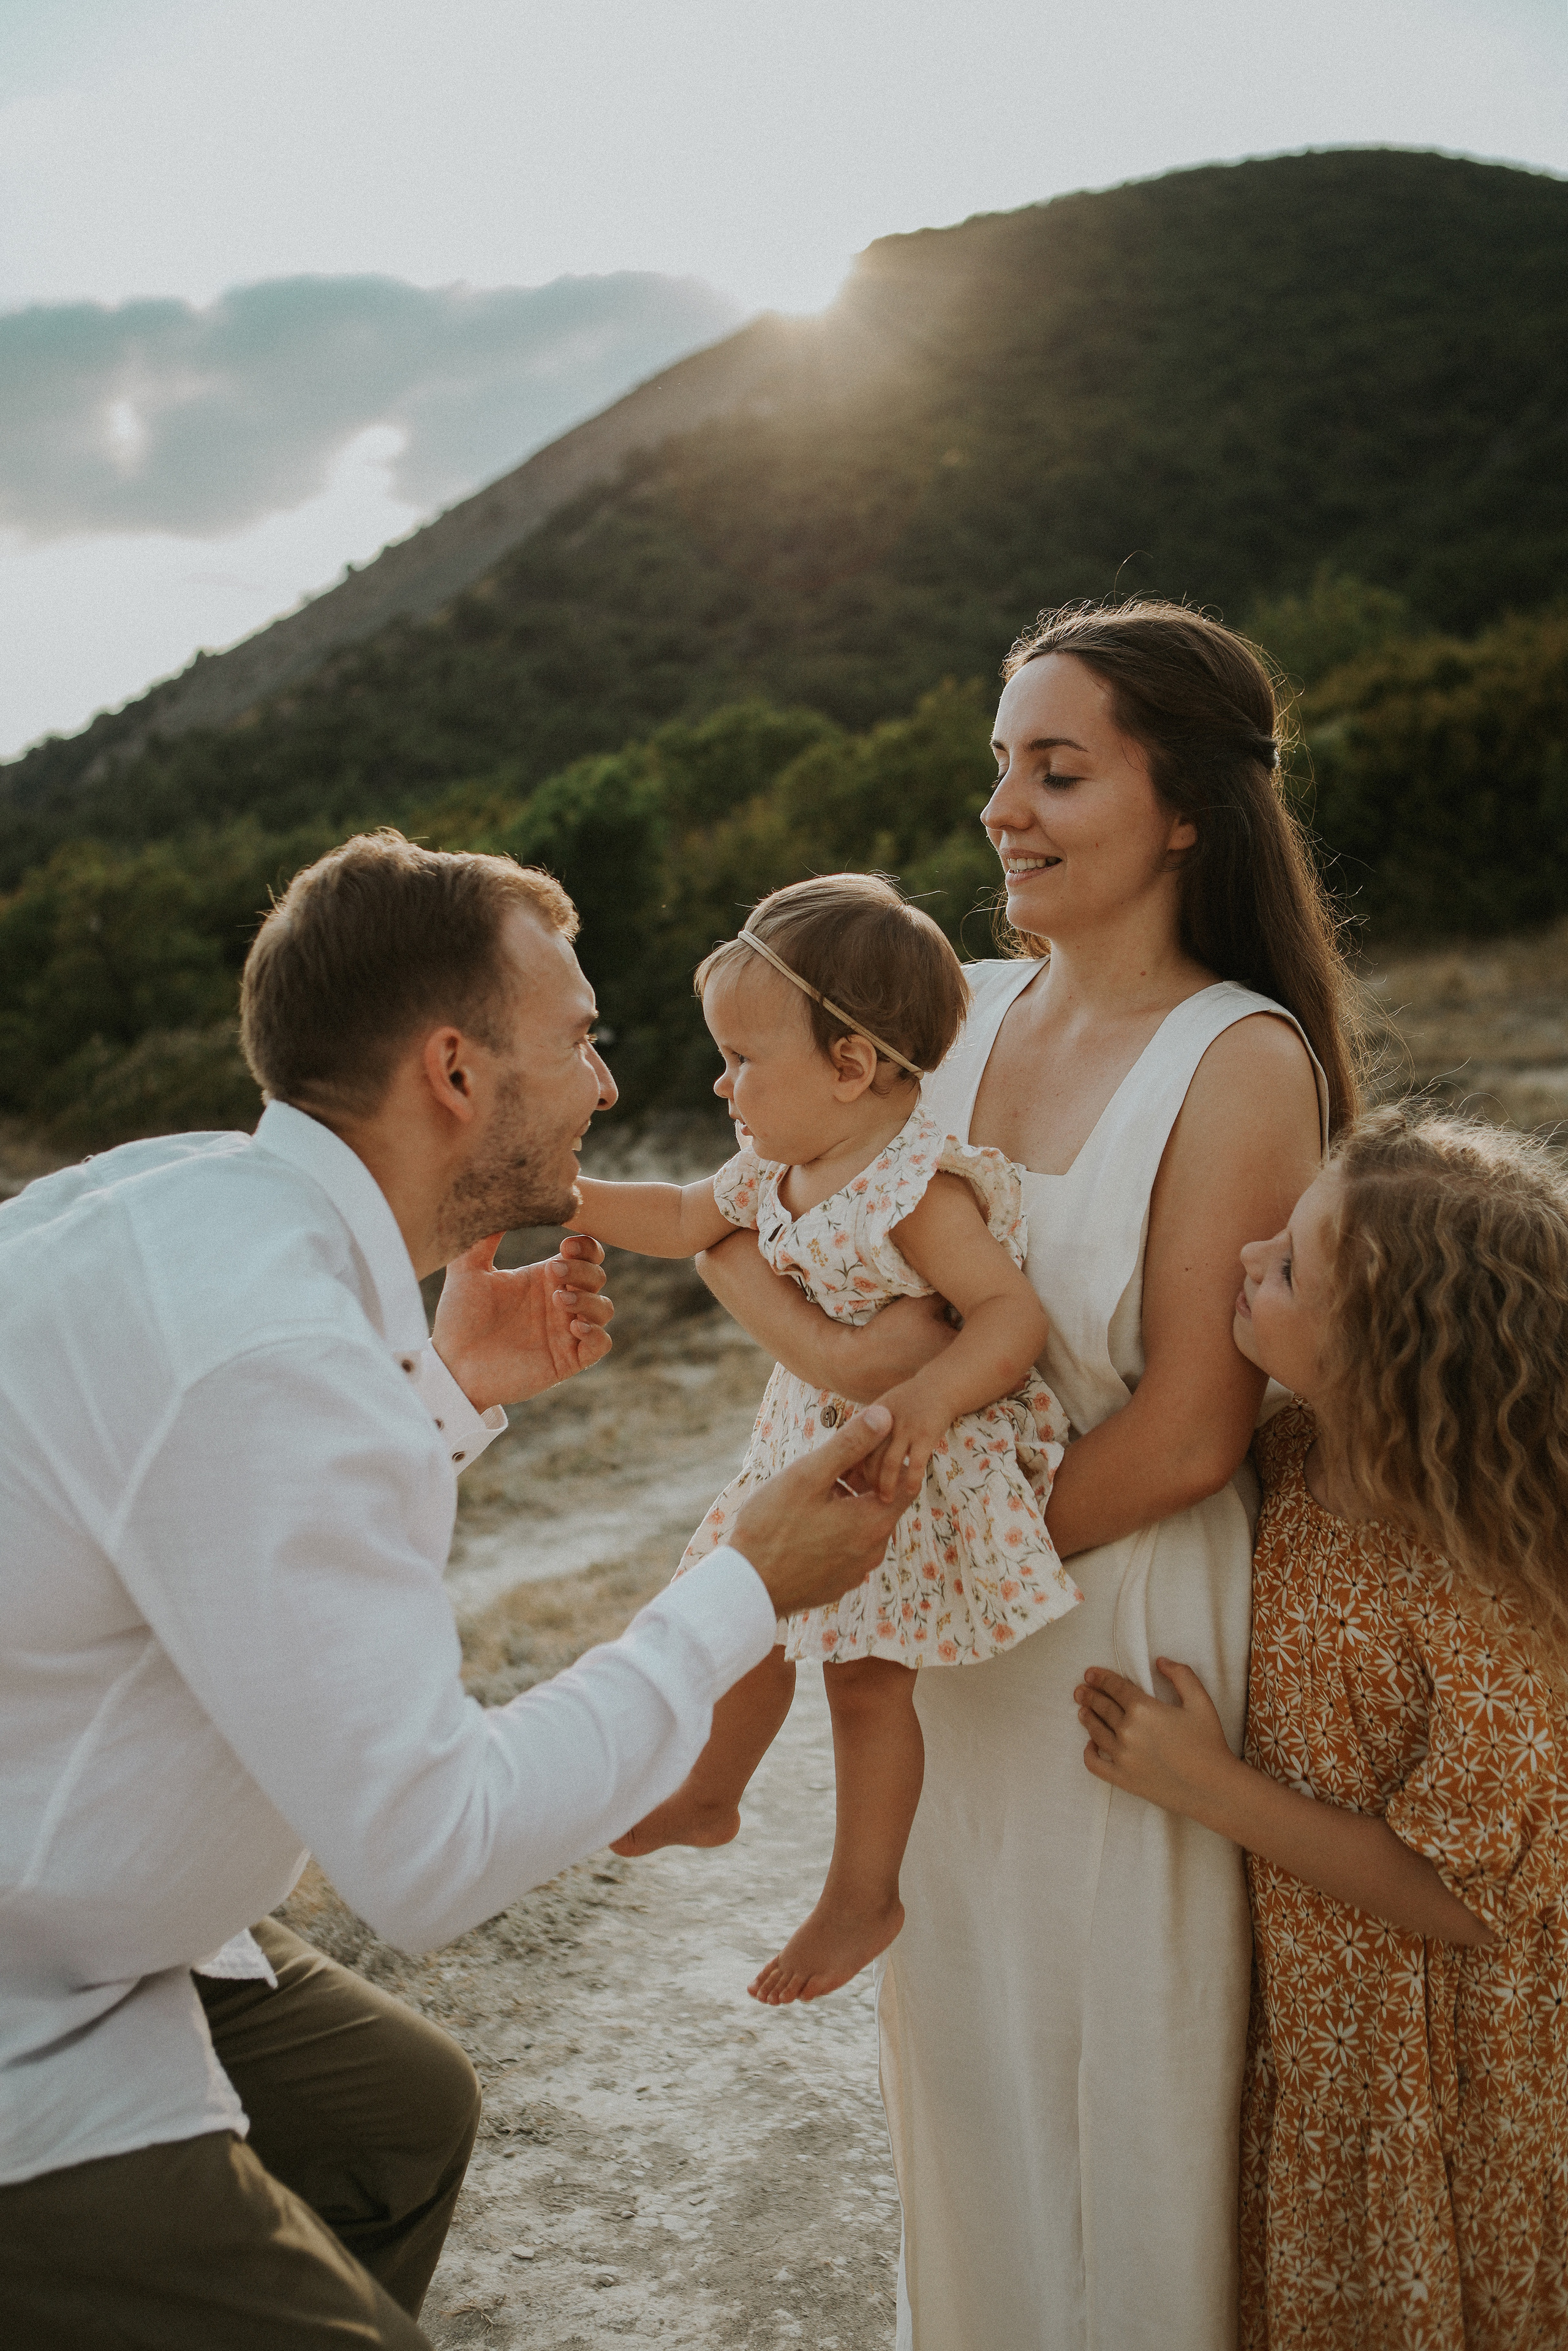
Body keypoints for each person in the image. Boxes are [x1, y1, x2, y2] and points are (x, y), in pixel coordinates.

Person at [0, 831, 920, 2351]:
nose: (607, 1087)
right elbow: (431, 1851)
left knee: (395, 2113)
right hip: (28, 1983)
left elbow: (206, 1539)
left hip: (64, 1895)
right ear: (453, 1070)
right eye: (578, 1039)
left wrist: (445, 1382)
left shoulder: (185, 1198)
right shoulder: (280, 1349)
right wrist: (741, 1584)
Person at [695, 599, 1355, 2347]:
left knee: (1118, 2093)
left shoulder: (1241, 1056)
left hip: (1115, 1636)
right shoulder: (957, 1016)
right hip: (954, 1648)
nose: (1007, 808)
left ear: (1188, 809)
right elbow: (836, 1248)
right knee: (972, 2086)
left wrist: (913, 1561)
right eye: (1001, 766)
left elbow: (1199, 1426)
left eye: (1058, 770)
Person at [1075, 1106, 1568, 2349]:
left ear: (1387, 1348)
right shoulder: (1287, 1451)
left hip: (1447, 2080)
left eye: (1288, 1264)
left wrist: (1205, 1786)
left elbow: (1468, 1896)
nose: (1245, 1256)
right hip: (1322, 2047)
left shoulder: (1477, 1576)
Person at [567, 874, 1080, 2006]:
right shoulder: (769, 1170)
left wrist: (936, 1400)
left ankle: (862, 1891)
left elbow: (1009, 1317)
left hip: (904, 1468)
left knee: (863, 1682)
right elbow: (677, 1215)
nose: (721, 1079)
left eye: (744, 1057)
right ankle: (712, 1790)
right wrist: (558, 1193)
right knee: (745, 1613)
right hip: (804, 1448)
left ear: (851, 1066)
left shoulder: (913, 1188)